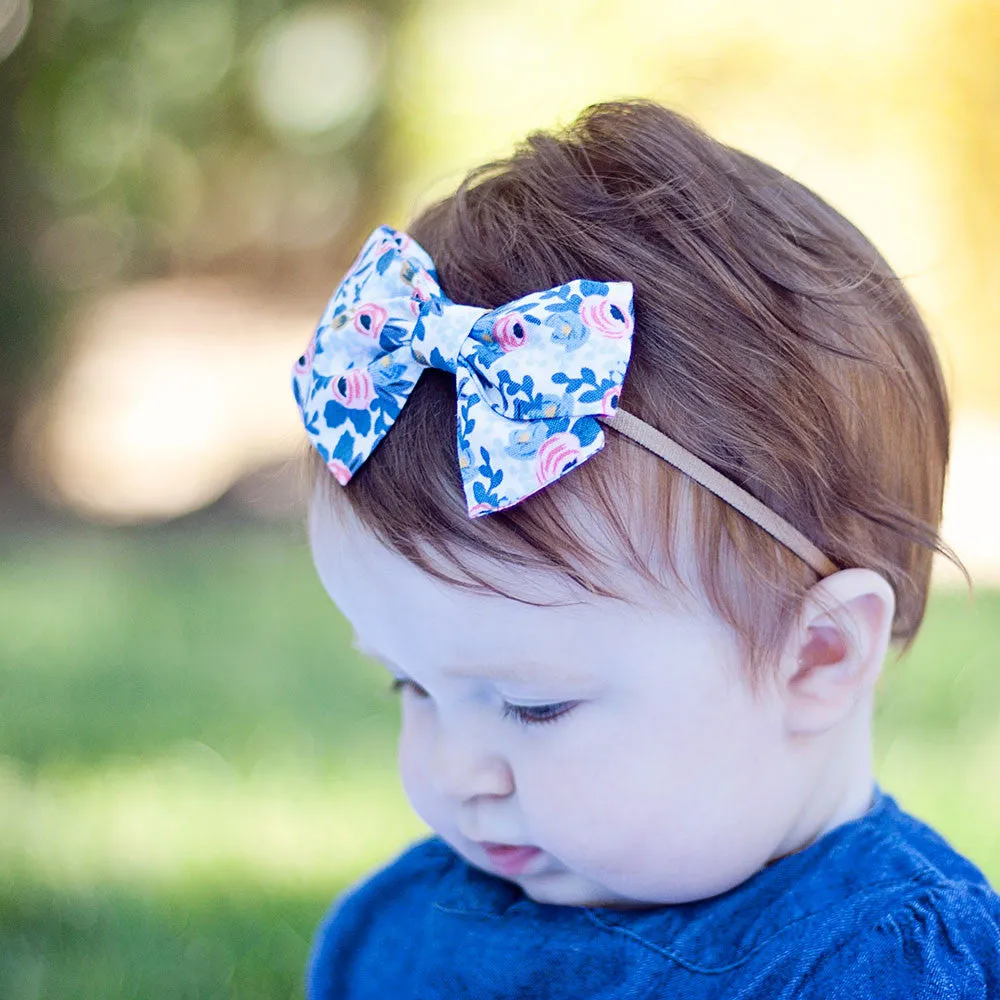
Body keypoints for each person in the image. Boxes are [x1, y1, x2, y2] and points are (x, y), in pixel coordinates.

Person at [290, 99, 1000, 998]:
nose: (449, 772)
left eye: (533, 706)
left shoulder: (879, 968)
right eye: (413, 687)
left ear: (818, 654)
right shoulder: (398, 937)